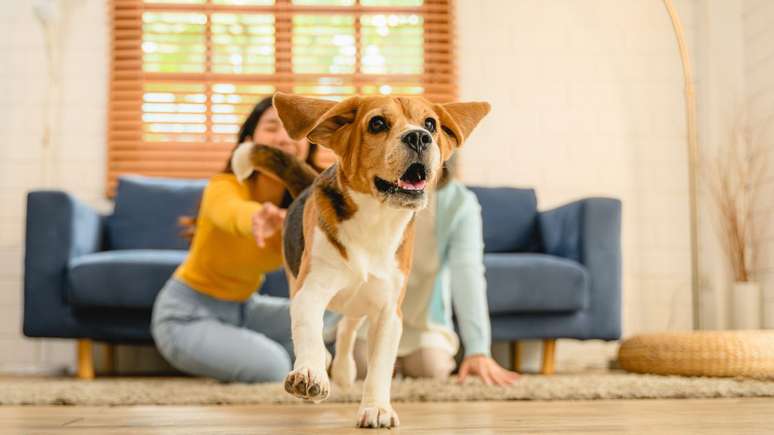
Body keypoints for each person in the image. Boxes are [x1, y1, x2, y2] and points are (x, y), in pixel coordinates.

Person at [151, 96, 310, 383]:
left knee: (331, 316)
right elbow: (232, 212)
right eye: (273, 127)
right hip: (186, 314)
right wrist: (257, 217)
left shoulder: (307, 205)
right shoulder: (223, 186)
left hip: (245, 308)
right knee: (274, 366)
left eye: (294, 129)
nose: (284, 138)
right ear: (250, 140)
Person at [345, 157, 520, 386]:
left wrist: (478, 349)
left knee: (430, 367)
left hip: (424, 320)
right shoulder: (369, 187)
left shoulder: (460, 203)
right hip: (369, 314)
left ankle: (434, 354)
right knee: (361, 366)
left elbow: (468, 274)